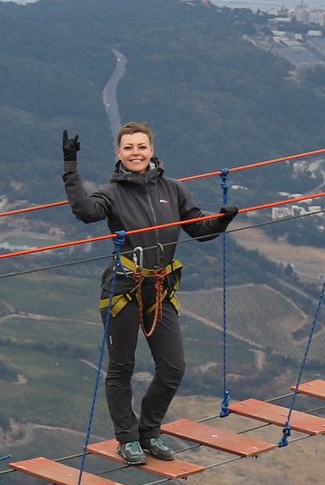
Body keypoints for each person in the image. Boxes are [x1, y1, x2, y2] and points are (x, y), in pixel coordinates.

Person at [62, 122, 235, 465]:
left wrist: (220, 221)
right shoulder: (111, 194)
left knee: (173, 368)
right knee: (122, 366)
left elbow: (197, 229)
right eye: (129, 148)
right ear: (119, 154)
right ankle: (127, 438)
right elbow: (84, 212)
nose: (136, 153)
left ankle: (149, 431)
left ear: (151, 150)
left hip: (159, 287)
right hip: (123, 288)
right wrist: (70, 167)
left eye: (141, 147)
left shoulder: (173, 190)